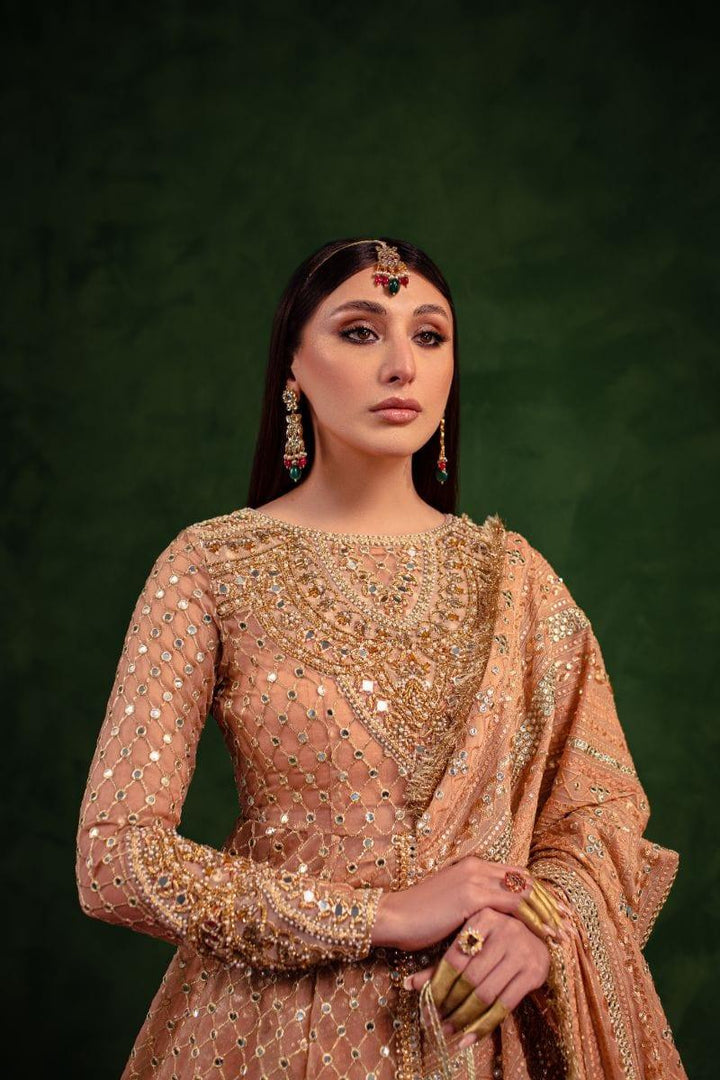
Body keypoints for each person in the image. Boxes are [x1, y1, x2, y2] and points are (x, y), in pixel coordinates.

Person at [75, 237, 688, 1080]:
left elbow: (601, 812)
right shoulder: (210, 567)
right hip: (275, 1036)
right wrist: (378, 916)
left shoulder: (516, 578)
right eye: (360, 332)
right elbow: (115, 859)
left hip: (484, 1028)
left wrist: (540, 928)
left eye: (429, 336)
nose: (402, 365)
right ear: (292, 368)